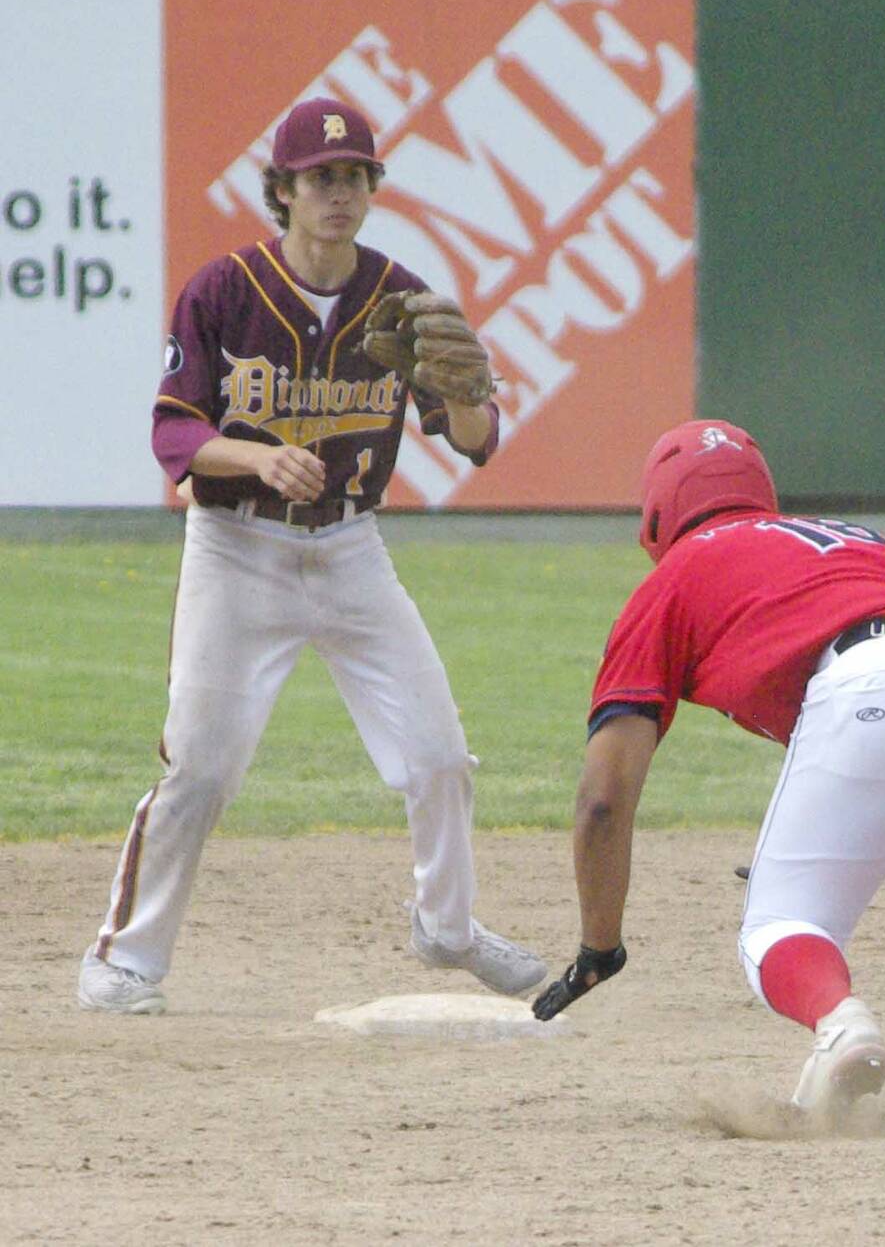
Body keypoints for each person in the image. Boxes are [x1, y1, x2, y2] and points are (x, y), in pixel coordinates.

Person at [78, 98, 546, 1014]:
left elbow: (475, 438)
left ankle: (447, 930)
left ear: (373, 189)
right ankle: (125, 958)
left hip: (350, 548)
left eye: (355, 175)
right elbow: (175, 434)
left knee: (439, 755)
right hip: (235, 546)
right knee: (202, 767)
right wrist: (257, 453)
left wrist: (471, 394)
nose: (339, 191)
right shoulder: (224, 290)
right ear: (282, 190)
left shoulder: (402, 298)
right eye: (320, 177)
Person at [527, 420, 885, 1128]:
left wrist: (598, 946)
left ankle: (843, 1026)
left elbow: (603, 800)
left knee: (779, 925)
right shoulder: (850, 535)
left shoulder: (676, 575)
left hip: (876, 678)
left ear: (657, 517)